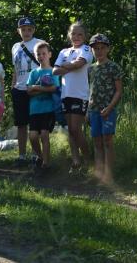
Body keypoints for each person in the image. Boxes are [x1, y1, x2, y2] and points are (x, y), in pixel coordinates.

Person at [52, 22, 93, 174]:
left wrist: (65, 67)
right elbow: (55, 71)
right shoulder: (64, 51)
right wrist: (70, 65)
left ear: (85, 36)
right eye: (73, 34)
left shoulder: (87, 49)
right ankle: (76, 161)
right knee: (71, 130)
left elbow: (80, 64)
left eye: (80, 34)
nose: (76, 37)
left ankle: (88, 159)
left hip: (80, 95)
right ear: (69, 35)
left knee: (76, 129)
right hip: (65, 94)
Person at [87, 34, 123, 184]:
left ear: (108, 49)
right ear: (92, 50)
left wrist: (109, 108)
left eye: (102, 48)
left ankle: (109, 175)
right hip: (93, 110)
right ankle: (99, 174)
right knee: (96, 142)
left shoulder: (114, 67)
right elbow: (90, 90)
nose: (99, 51)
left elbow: (119, 91)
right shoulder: (91, 69)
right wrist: (87, 111)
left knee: (107, 141)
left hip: (108, 110)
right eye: (96, 48)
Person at [11, 16, 42, 167]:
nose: (26, 32)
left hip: (35, 88)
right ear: (19, 31)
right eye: (23, 29)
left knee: (36, 123)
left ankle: (38, 155)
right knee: (21, 124)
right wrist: (13, 86)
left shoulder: (40, 43)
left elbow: (45, 65)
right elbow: (15, 69)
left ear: (34, 30)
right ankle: (22, 155)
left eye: (29, 29)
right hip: (19, 89)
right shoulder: (15, 46)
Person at [26, 41, 60, 174]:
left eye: (44, 53)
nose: (41, 56)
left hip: (48, 109)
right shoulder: (34, 73)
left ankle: (46, 163)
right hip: (34, 109)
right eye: (38, 54)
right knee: (33, 136)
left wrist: (36, 87)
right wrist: (42, 89)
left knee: (45, 135)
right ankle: (40, 157)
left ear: (50, 54)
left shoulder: (53, 71)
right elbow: (28, 90)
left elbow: (53, 88)